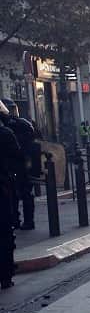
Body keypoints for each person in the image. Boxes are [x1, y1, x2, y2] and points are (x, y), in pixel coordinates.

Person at [1, 100, 36, 230]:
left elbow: (19, 148)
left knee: (20, 193)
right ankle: (17, 220)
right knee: (16, 193)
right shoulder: (21, 124)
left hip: (17, 164)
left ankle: (25, 220)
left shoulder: (15, 126)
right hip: (18, 163)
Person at [0, 101, 21, 288]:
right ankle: (6, 275)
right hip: (2, 186)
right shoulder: (6, 133)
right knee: (5, 230)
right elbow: (17, 156)